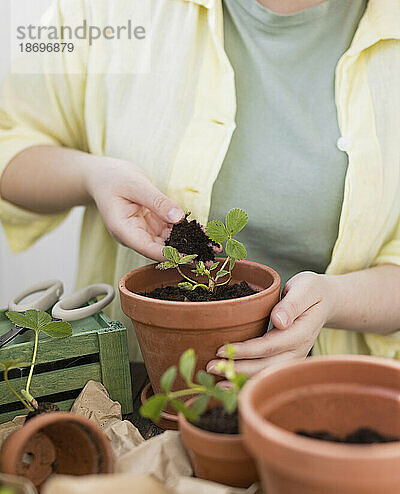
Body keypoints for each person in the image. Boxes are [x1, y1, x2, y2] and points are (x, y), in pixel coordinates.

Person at [0, 0, 400, 375]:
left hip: (327, 393)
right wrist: (91, 175)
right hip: (136, 389)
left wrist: (335, 299)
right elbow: (9, 142)